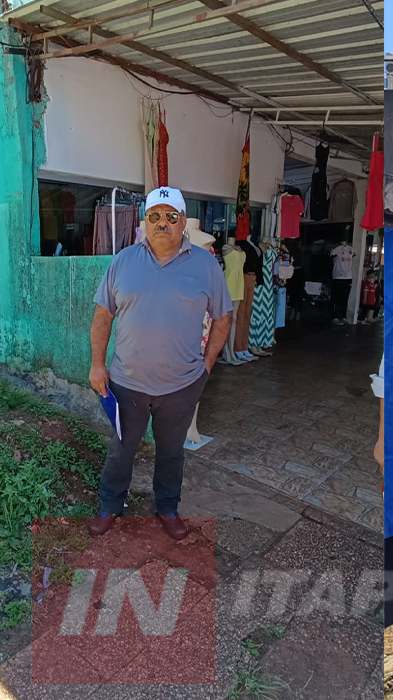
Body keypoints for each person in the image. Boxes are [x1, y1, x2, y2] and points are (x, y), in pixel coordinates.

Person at [88, 186, 233, 540]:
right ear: (144, 222)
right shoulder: (123, 261)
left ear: (183, 222)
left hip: (181, 386)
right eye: (155, 216)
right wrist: (97, 364)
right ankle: (110, 505)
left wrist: (206, 365)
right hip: (127, 385)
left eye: (171, 216)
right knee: (121, 450)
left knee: (171, 453)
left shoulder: (205, 265)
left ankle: (167, 508)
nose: (162, 223)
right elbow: (103, 317)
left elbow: (223, 317)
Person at [330, 240, 357, 324]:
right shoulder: (337, 249)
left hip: (348, 276)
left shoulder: (351, 249)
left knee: (345, 298)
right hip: (338, 276)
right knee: (337, 297)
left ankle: (343, 316)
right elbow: (332, 255)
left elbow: (353, 254)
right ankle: (335, 316)